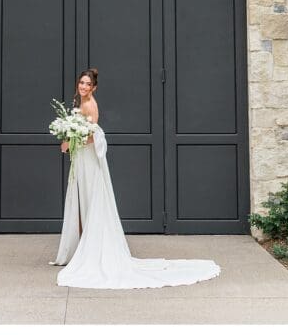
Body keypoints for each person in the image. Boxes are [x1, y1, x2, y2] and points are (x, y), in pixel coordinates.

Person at [50, 68, 220, 289]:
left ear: (94, 88)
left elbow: (92, 136)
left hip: (88, 161)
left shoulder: (89, 105)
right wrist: (70, 137)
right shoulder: (81, 102)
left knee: (91, 202)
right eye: (81, 83)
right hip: (82, 160)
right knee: (83, 202)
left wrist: (70, 142)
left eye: (87, 84)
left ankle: (91, 251)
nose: (83, 87)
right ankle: (83, 247)